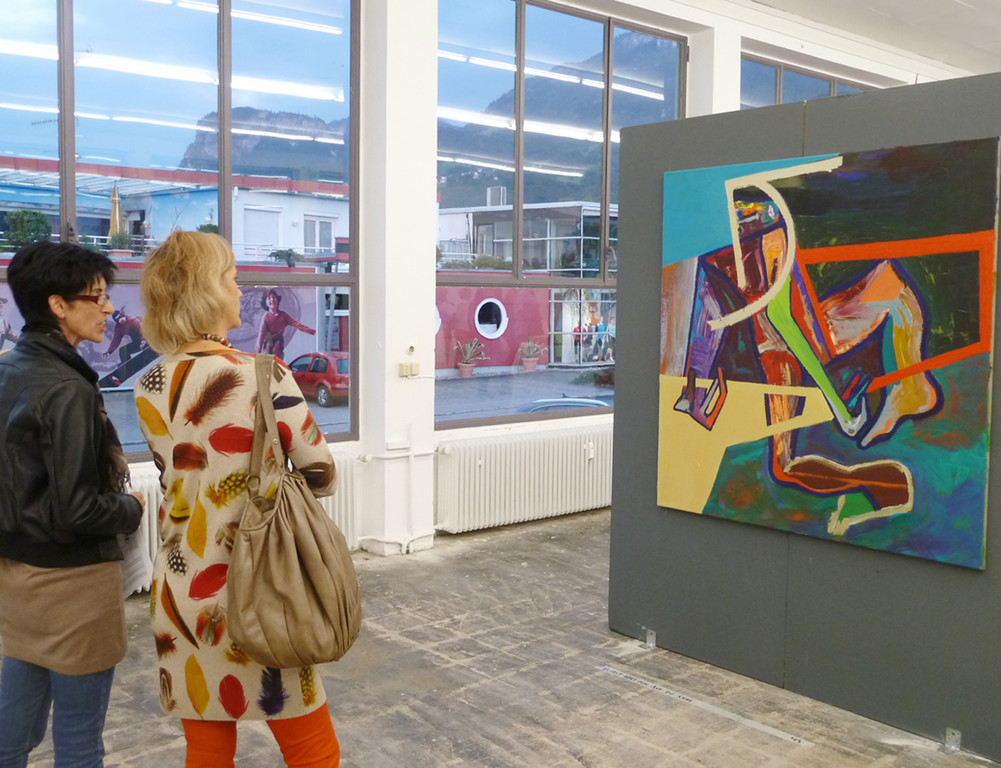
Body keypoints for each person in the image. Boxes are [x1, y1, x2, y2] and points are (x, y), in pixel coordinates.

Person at [135, 231, 340, 768]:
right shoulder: (265, 375)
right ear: (206, 291)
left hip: (182, 592)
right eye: (232, 278)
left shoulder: (148, 384)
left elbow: (177, 477)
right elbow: (321, 473)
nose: (240, 289)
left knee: (206, 751)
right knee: (312, 750)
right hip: (265, 589)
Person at [0, 241, 145, 767]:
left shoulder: (10, 366)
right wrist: (133, 509)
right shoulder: (68, 387)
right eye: (97, 297)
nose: (108, 309)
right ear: (58, 305)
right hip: (73, 587)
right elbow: (79, 511)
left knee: (12, 729)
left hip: (18, 577)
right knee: (80, 738)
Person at [256, 288, 315, 360]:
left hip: (278, 346)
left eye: (274, 297)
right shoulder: (266, 317)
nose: (272, 300)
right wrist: (258, 352)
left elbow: (296, 324)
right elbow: (261, 336)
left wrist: (310, 330)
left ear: (277, 300)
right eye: (269, 298)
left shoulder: (283, 315)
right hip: (268, 347)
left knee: (277, 355)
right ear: (266, 303)